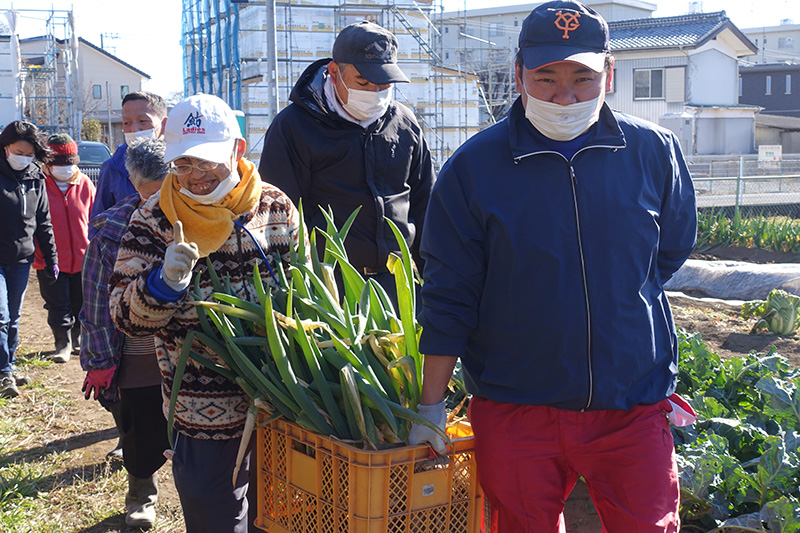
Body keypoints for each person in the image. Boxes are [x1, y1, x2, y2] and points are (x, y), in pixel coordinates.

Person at [408, 2, 698, 531]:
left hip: (630, 404)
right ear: (519, 75)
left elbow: (668, 253)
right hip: (517, 406)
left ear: (608, 74)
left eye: (582, 77)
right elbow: (449, 294)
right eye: (546, 77)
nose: (565, 96)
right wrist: (431, 406)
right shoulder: (474, 169)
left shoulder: (654, 152)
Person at [110, 94, 304, 532]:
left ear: (237, 149)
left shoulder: (275, 208)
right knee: (213, 515)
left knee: (275, 515)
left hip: (282, 402)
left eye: (206, 162)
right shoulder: (155, 217)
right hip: (201, 407)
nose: (194, 176)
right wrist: (162, 284)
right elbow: (123, 315)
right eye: (182, 164)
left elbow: (305, 290)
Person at [259, 20, 434, 298]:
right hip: (328, 290)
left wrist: (433, 283)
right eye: (363, 82)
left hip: (397, 285)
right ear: (333, 72)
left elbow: (426, 206)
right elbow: (275, 218)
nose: (374, 94)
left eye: (384, 84)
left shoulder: (405, 123)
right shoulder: (293, 127)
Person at [80, 138, 170, 528]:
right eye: (148, 194)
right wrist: (99, 360)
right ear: (134, 184)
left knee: (190, 431)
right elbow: (97, 301)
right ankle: (141, 493)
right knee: (139, 427)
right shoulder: (112, 229)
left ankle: (198, 493)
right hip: (137, 352)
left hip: (189, 350)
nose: (155, 205)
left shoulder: (203, 220)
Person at [0, 121, 57, 398]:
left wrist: (51, 257)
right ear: (6, 147)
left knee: (13, 317)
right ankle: (4, 373)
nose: (22, 158)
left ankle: (7, 364)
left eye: (28, 154)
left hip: (21, 258)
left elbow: (43, 220)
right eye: (18, 152)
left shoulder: (35, 176)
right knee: (0, 316)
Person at [34, 134, 95, 363]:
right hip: (50, 259)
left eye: (69, 163)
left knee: (80, 303)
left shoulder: (85, 184)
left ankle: (77, 339)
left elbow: (94, 218)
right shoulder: (39, 184)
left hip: (82, 258)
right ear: (47, 164)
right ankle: (62, 343)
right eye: (59, 164)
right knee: (57, 304)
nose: (65, 168)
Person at [90, 91, 167, 227]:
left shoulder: (178, 165)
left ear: (164, 124)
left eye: (143, 121)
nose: (134, 129)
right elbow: (97, 223)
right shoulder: (112, 168)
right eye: (127, 123)